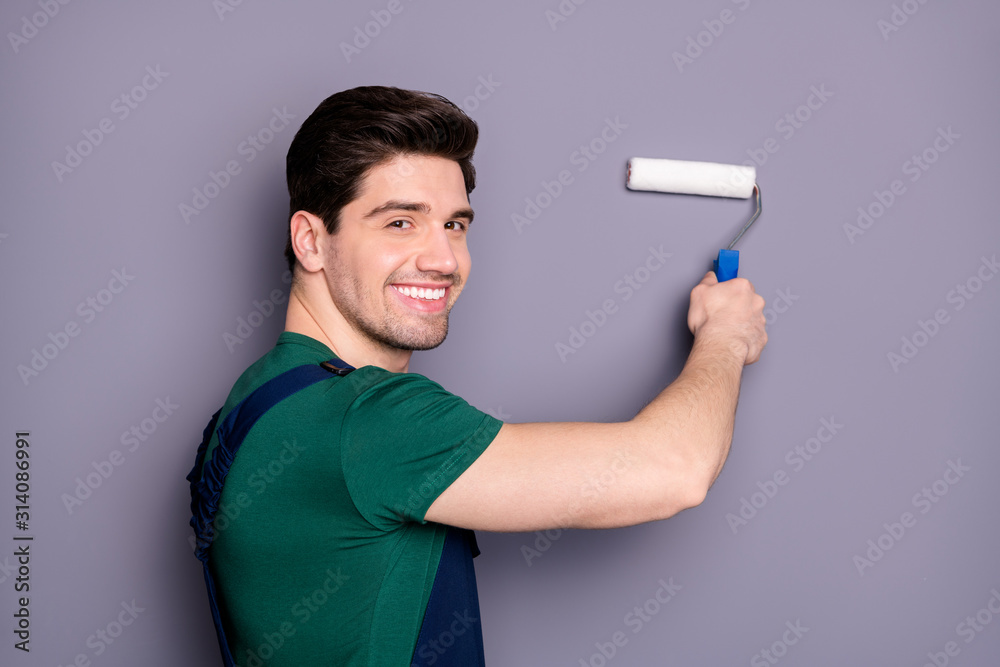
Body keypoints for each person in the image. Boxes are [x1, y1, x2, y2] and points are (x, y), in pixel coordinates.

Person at [187, 85, 767, 667]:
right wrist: (725, 335)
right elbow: (675, 470)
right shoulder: (368, 420)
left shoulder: (258, 399)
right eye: (400, 223)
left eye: (455, 225)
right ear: (311, 241)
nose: (443, 259)